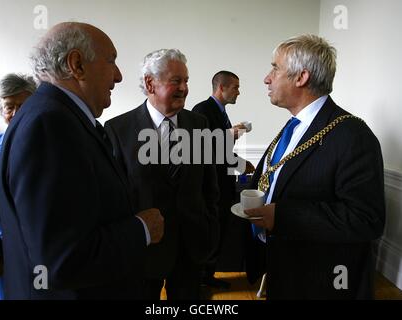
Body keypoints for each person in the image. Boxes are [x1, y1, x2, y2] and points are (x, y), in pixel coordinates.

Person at [0, 22, 164, 300]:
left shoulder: (57, 117)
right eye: (111, 60)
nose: (119, 76)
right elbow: (61, 260)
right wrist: (141, 229)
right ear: (77, 65)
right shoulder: (49, 125)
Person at [244, 34, 385, 299]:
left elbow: (366, 219)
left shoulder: (353, 135)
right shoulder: (293, 126)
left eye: (275, 68)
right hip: (284, 271)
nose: (267, 77)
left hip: (323, 283)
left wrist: (283, 216)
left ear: (301, 77)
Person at [104, 49, 220, 300]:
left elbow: (209, 186)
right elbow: (113, 198)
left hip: (191, 249)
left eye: (186, 81)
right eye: (176, 81)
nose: (184, 88)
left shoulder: (199, 124)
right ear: (150, 83)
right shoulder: (118, 130)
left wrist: (210, 228)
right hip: (143, 252)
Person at [192, 71, 255, 288]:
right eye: (235, 87)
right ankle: (200, 281)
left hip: (222, 185)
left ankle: (207, 279)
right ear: (222, 88)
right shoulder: (202, 110)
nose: (238, 91)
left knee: (217, 234)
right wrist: (238, 159)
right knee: (209, 235)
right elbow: (201, 150)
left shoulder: (221, 113)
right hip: (211, 187)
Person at [0, 73, 37, 300]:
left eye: (22, 106)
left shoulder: (49, 141)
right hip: (6, 245)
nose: (15, 113)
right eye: (9, 107)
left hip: (42, 240)